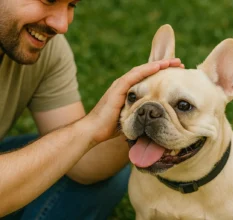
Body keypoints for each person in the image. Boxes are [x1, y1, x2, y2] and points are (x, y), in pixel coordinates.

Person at [0, 0, 184, 219]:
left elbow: (83, 166)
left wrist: (132, 118)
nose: (62, 25)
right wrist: (88, 127)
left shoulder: (47, 50)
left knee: (108, 175)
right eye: (48, 0)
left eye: (72, 5)